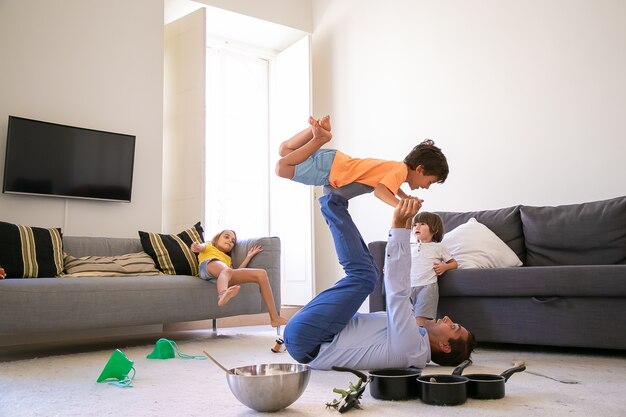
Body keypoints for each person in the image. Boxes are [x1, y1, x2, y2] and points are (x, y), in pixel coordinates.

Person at [283, 192, 476, 369]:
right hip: (313, 336)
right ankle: (334, 200)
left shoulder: (412, 348)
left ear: (445, 347)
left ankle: (333, 200)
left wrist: (398, 223)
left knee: (364, 277)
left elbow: (398, 293)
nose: (448, 319)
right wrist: (407, 220)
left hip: (309, 339)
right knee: (370, 273)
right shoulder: (414, 340)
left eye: (453, 327)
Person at [275, 115, 449, 207]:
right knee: (281, 168)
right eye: (430, 182)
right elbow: (381, 191)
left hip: (333, 160)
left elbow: (391, 187)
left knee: (284, 150)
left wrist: (404, 197)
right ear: (419, 169)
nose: (426, 186)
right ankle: (319, 138)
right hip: (330, 171)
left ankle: (317, 129)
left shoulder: (398, 169)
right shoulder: (400, 171)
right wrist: (399, 207)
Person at [191, 230, 288, 328]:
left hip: (223, 276)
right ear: (217, 239)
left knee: (261, 274)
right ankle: (222, 295)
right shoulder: (209, 246)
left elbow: (235, 272)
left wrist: (248, 257)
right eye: (226, 237)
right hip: (207, 268)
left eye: (233, 241)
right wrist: (197, 247)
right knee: (226, 270)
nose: (229, 241)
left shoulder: (228, 260)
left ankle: (274, 317)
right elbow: (200, 247)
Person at [409, 211, 458, 324]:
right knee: (406, 318)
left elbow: (454, 263)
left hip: (427, 287)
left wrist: (444, 267)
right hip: (408, 287)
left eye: (422, 224)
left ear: (434, 229)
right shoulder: (409, 247)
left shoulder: (438, 247)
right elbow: (401, 262)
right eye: (415, 225)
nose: (417, 227)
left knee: (421, 321)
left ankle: (421, 341)